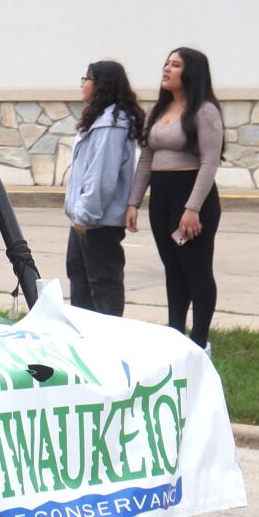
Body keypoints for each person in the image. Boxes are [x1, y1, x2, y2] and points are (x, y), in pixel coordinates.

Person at [126, 46, 224, 348]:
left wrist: (192, 208)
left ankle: (199, 342)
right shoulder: (159, 110)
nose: (166, 69)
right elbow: (146, 159)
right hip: (162, 199)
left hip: (192, 199)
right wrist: (134, 202)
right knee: (173, 269)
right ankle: (176, 334)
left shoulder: (204, 111)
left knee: (196, 270)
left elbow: (209, 162)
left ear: (191, 72)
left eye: (175, 65)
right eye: (166, 63)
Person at [64, 60, 145, 316]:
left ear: (101, 85)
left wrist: (85, 215)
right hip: (85, 217)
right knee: (79, 276)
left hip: (97, 221)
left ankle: (107, 339)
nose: (83, 84)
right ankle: (84, 336)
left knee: (102, 283)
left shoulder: (111, 124)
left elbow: (101, 176)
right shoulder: (100, 118)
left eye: (87, 79)